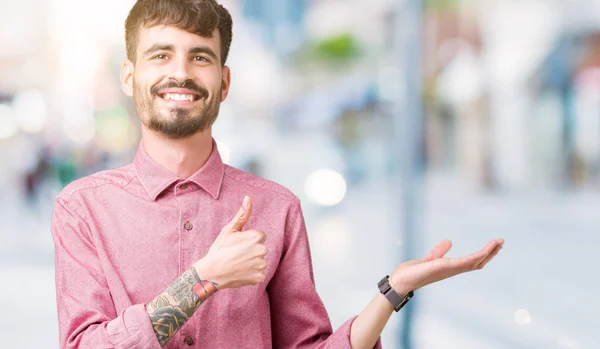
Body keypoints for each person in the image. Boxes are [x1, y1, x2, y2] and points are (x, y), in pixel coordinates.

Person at [51, 0, 505, 348]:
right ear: (129, 77)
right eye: (161, 56)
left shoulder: (277, 207)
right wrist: (202, 280)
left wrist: (393, 292)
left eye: (200, 58)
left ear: (224, 82)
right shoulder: (82, 208)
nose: (181, 73)